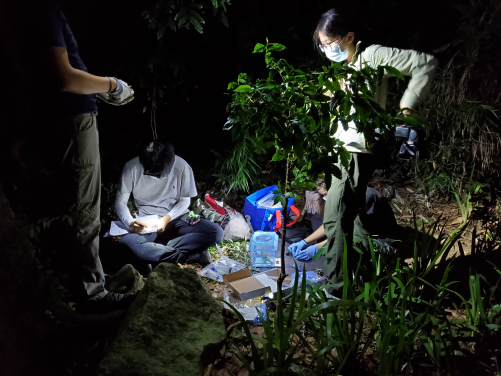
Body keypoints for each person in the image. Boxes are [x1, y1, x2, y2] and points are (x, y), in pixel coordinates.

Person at [13, 0, 135, 306]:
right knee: (83, 208)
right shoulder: (42, 10)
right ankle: (91, 293)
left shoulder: (23, 12)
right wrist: (112, 86)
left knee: (71, 202)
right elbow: (65, 77)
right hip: (72, 121)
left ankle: (78, 283)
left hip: (57, 118)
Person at [312, 9, 437, 293]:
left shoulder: (374, 56)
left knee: (335, 217)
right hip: (338, 152)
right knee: (354, 218)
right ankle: (369, 272)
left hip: (356, 151)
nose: (326, 50)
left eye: (329, 43)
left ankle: (336, 288)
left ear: (349, 37)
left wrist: (407, 108)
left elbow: (425, 63)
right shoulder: (343, 65)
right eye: (322, 45)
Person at [115, 141, 223, 268]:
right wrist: (130, 223)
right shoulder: (131, 167)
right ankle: (192, 256)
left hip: (177, 218)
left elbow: (185, 201)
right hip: (147, 224)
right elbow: (120, 202)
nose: (156, 177)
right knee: (127, 242)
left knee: (216, 233)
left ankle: (155, 252)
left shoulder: (181, 166)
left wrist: (166, 218)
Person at [289, 178, 398, 261]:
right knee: (317, 222)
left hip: (381, 242)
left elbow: (352, 235)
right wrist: (304, 241)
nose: (326, 198)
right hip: (357, 234)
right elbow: (330, 223)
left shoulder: (364, 197)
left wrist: (317, 248)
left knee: (342, 252)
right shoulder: (341, 196)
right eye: (323, 196)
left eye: (327, 195)